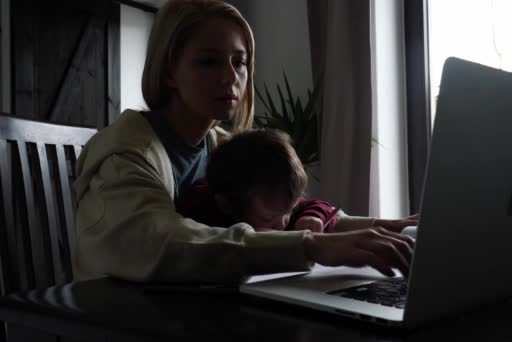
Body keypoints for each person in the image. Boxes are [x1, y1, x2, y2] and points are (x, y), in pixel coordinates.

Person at [73, 0, 416, 284]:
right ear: (168, 72)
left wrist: (384, 228)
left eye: (239, 62)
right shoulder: (125, 155)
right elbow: (161, 242)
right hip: (120, 319)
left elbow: (284, 208)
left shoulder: (219, 144)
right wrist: (313, 246)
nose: (230, 77)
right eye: (208, 61)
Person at [178, 128, 416, 235]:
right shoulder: (202, 208)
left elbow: (315, 204)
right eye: (269, 218)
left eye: (287, 212)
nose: (282, 225)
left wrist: (309, 217)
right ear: (227, 205)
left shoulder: (268, 200)